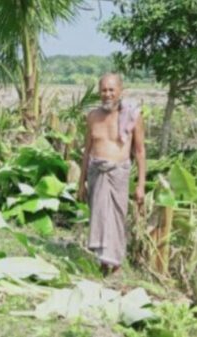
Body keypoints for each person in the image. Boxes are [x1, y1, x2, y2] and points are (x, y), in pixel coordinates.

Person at [77, 73, 146, 275]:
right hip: (96, 173)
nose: (107, 94)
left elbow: (140, 151)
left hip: (119, 173)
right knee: (99, 216)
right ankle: (102, 261)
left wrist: (141, 185)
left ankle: (115, 264)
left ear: (120, 91)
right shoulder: (92, 117)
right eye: (104, 90)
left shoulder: (132, 116)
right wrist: (81, 183)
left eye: (111, 90)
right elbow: (87, 151)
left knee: (116, 217)